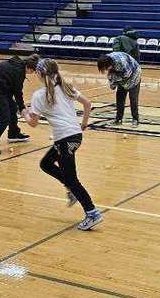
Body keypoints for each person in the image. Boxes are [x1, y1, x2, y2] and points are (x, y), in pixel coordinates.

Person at [24, 58, 103, 231]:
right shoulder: (65, 87)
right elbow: (88, 103)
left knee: (72, 178)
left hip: (64, 139)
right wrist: (83, 123)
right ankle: (71, 189)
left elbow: (33, 123)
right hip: (74, 136)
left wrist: (24, 112)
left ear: (39, 74)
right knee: (46, 164)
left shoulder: (39, 95)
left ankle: (92, 212)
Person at [0, 54, 36, 154]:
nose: (33, 73)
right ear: (30, 68)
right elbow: (17, 92)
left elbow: (14, 90)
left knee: (12, 108)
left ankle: (13, 134)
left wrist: (20, 107)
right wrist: (22, 108)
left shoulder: (18, 65)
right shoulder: (18, 71)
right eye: (34, 71)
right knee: (4, 118)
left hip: (0, 88)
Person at [97, 51, 141, 126]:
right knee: (120, 98)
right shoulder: (106, 60)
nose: (105, 70)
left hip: (134, 74)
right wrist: (112, 83)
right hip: (121, 76)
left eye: (105, 68)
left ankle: (135, 119)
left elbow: (127, 74)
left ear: (108, 65)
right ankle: (118, 119)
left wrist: (115, 81)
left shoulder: (121, 62)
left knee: (133, 98)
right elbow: (112, 77)